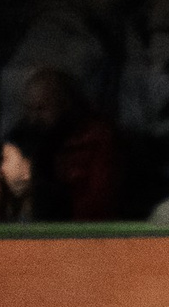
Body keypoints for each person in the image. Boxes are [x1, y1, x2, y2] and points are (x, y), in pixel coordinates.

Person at [19, 67, 121, 221]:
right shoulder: (30, 141)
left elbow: (98, 204)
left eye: (42, 109)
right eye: (29, 110)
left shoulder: (96, 141)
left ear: (65, 104)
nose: (33, 118)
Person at [0, 128, 67, 223]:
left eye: (6, 159)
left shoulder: (48, 208)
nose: (2, 168)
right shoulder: (7, 205)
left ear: (27, 166)